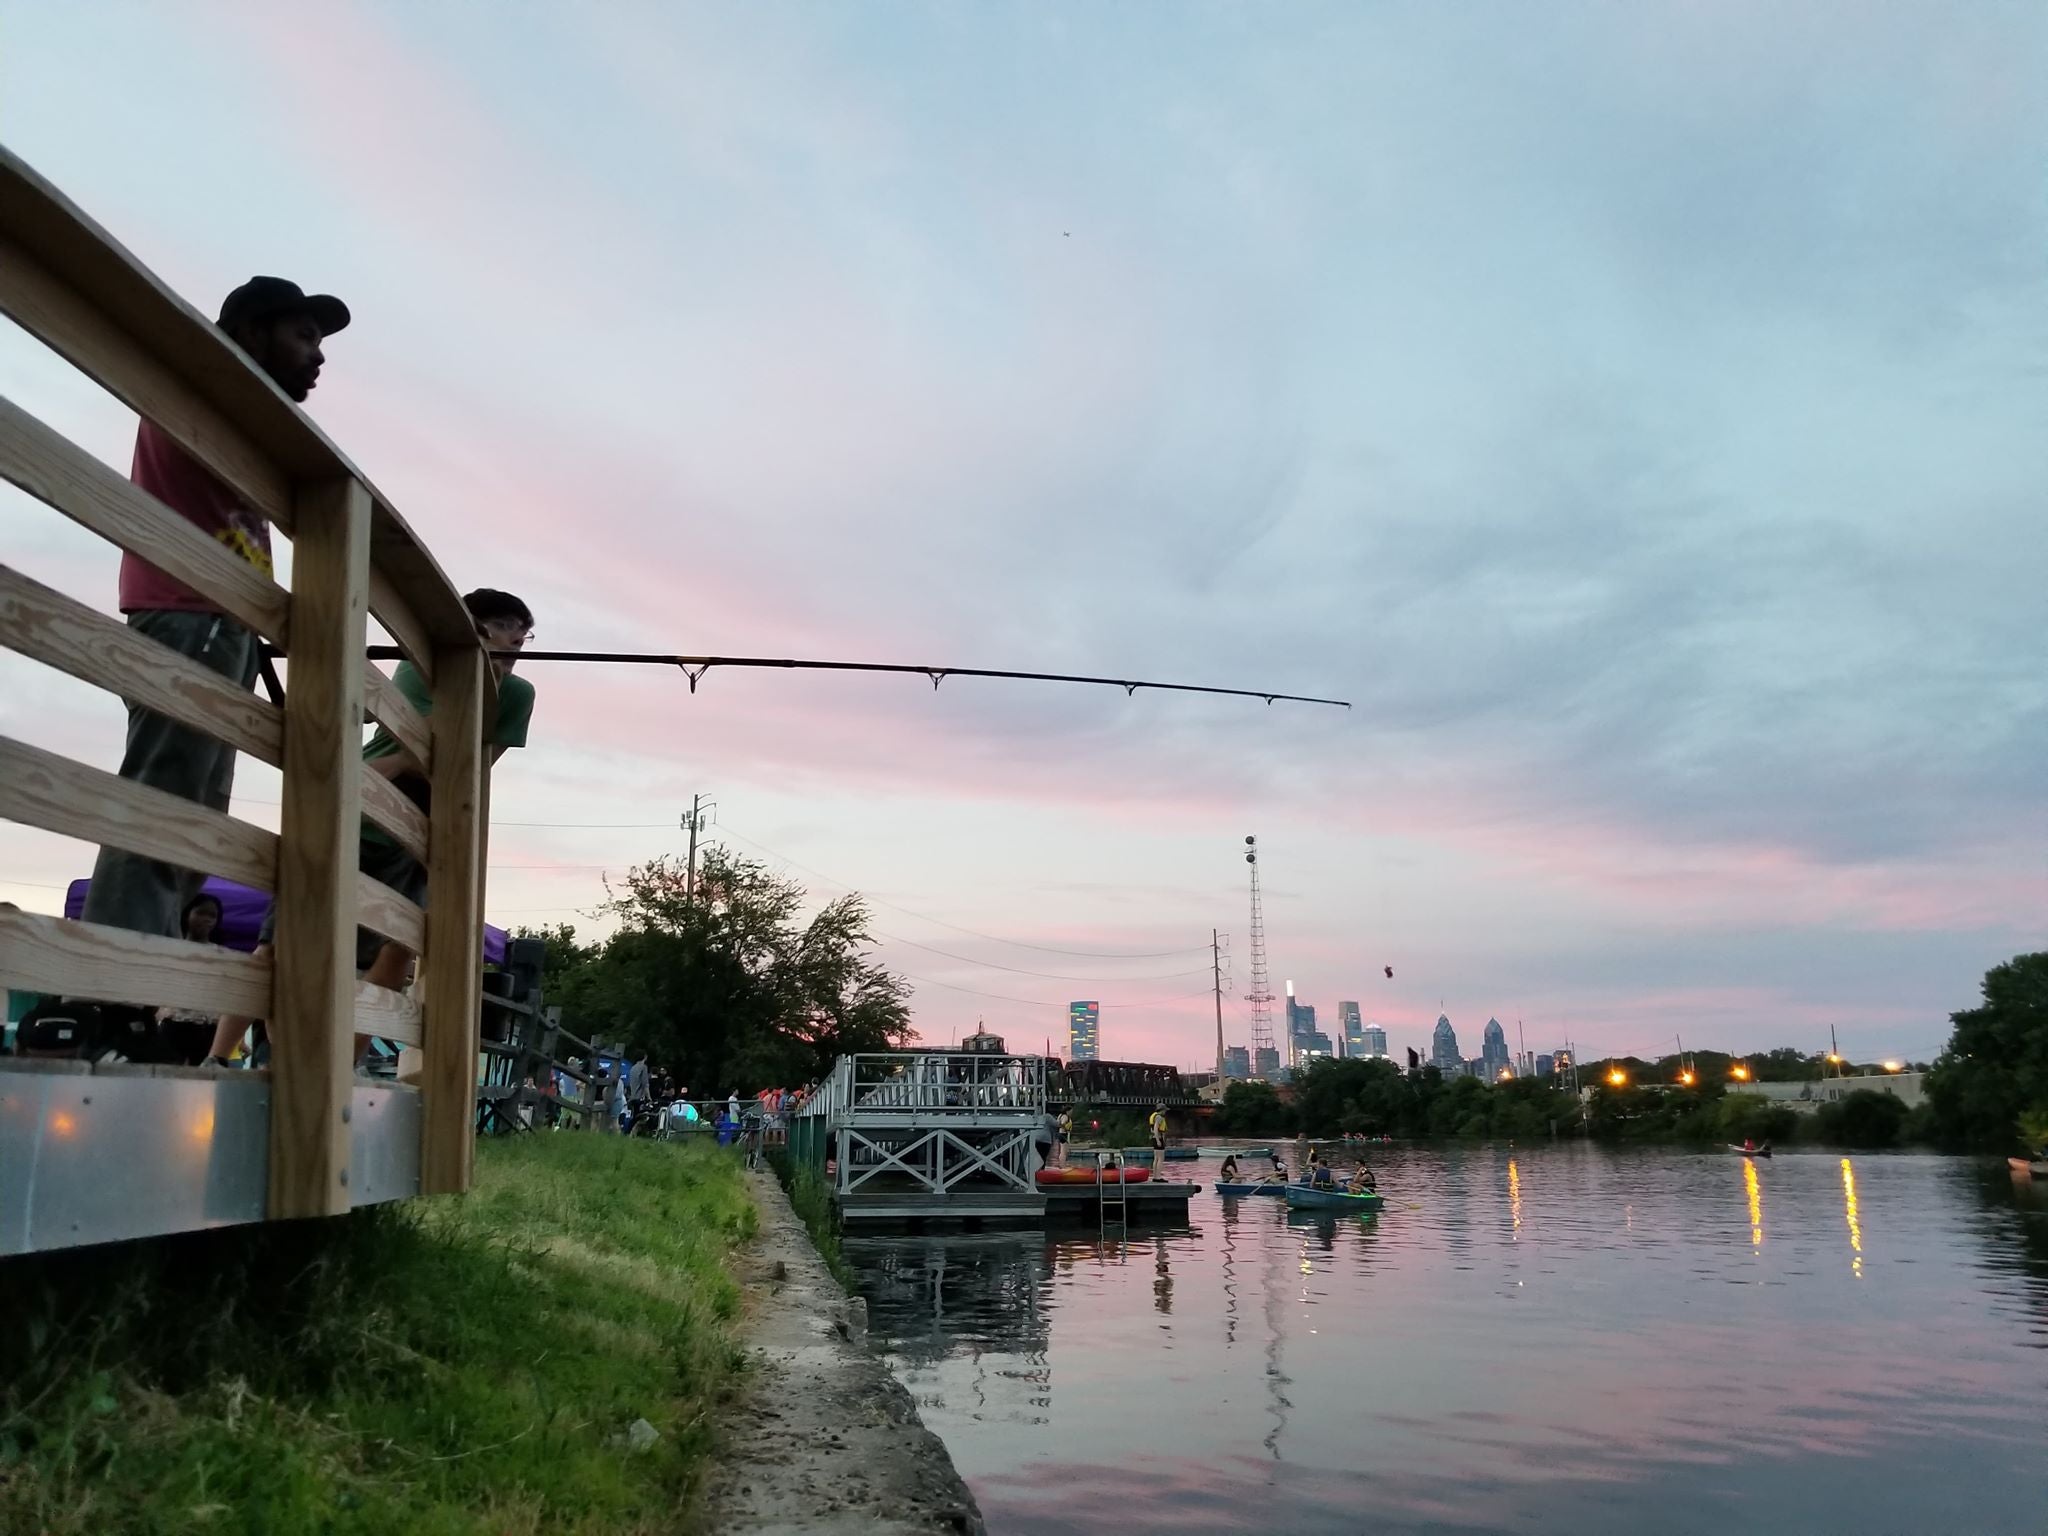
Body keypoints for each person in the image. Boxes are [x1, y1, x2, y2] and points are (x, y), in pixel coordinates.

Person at [68, 278, 344, 1059]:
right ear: (251, 335)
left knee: (194, 811)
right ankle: (108, 999)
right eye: (303, 337)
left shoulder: (247, 422)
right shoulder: (216, 378)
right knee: (165, 801)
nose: (318, 358)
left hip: (219, 617)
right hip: (187, 607)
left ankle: (139, 998)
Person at [205, 589, 537, 1069]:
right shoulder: (420, 667)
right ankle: (218, 1057)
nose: (515, 640)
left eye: (522, 634)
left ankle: (345, 1067)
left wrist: (410, 761)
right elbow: (428, 745)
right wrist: (412, 758)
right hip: (359, 808)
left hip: (427, 829)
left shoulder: (518, 693)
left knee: (398, 950)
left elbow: (471, 769)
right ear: (472, 628)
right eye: (503, 626)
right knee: (278, 942)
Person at [626, 1051, 652, 1136]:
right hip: (640, 1096)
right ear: (644, 1057)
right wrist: (649, 1097)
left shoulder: (632, 1068)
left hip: (632, 1096)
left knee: (635, 1116)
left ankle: (632, 1133)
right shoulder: (643, 1067)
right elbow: (645, 1084)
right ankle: (628, 1132)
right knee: (640, 1117)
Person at [1148, 1103, 1169, 1170]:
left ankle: (1155, 1176)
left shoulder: (1154, 1116)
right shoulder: (1159, 1117)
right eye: (1165, 1110)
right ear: (1162, 1110)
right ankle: (1158, 1177)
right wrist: (1158, 1140)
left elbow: (1152, 1130)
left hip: (1154, 1138)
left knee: (1156, 1158)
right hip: (1158, 1138)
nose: (1165, 1112)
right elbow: (1156, 1128)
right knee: (1160, 1159)